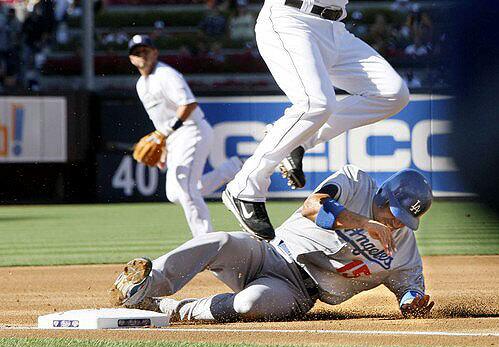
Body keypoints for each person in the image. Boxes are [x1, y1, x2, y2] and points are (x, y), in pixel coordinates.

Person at [110, 165, 434, 322]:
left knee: (248, 305)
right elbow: (313, 207)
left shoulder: (403, 251)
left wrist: (411, 301)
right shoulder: (355, 181)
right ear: (383, 194)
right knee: (218, 240)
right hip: (267, 252)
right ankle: (142, 286)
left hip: (296, 292)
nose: (396, 222)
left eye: (404, 219)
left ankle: (167, 309)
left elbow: (410, 288)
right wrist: (364, 222)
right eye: (394, 213)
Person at [221, 0, 410, 240]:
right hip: (291, 18)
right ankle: (245, 187)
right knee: (316, 103)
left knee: (393, 93)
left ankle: (297, 143)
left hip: (335, 30)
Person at [128, 35, 242, 237]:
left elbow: (188, 104)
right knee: (175, 194)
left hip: (192, 130)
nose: (141, 55)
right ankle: (232, 168)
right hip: (173, 137)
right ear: (131, 59)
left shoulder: (166, 74)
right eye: (137, 52)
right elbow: (159, 120)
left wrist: (166, 133)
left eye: (145, 50)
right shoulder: (141, 84)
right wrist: (163, 145)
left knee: (184, 186)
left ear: (155, 53)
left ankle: (205, 240)